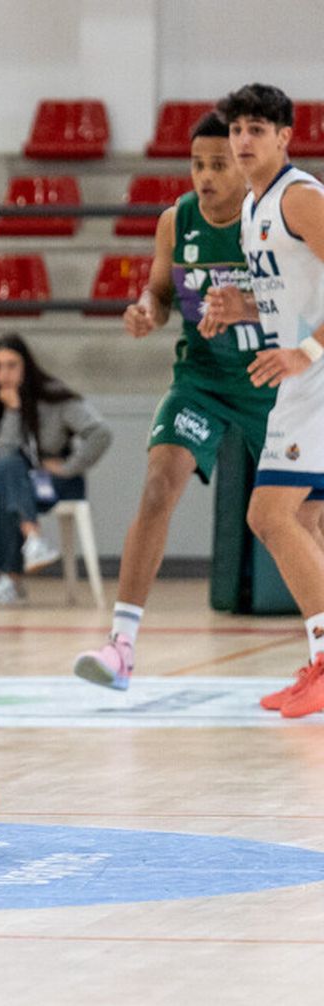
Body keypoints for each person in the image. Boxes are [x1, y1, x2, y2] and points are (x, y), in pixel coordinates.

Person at [74, 111, 268, 689]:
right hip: (203, 381)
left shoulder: (272, 219)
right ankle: (122, 646)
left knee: (301, 517)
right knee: (159, 484)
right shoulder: (175, 221)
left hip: (271, 379)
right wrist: (146, 312)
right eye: (197, 164)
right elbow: (160, 291)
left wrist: (247, 307)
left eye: (219, 164)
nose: (205, 176)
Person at [199, 84, 324, 718]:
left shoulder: (299, 198)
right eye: (237, 129)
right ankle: (320, 655)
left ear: (284, 137)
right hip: (299, 378)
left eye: (257, 129)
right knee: (304, 523)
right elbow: (297, 292)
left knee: (270, 516)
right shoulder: (255, 206)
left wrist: (309, 351)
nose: (243, 140)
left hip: (317, 376)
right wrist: (242, 307)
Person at [0, 334, 112, 604]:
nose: (4, 374)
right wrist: (13, 411)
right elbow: (0, 454)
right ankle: (33, 539)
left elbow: (101, 432)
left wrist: (69, 466)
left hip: (60, 481)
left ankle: (10, 579)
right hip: (23, 479)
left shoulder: (53, 397)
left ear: (26, 366)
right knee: (6, 472)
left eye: (11, 365)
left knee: (9, 485)